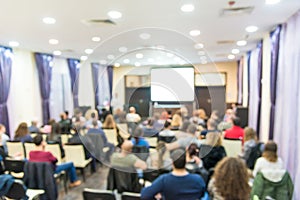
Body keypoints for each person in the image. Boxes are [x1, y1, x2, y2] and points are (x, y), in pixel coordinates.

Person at [141, 149, 206, 200]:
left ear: (172, 163)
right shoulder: (198, 179)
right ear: (186, 162)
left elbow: (145, 195)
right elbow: (203, 194)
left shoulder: (164, 180)